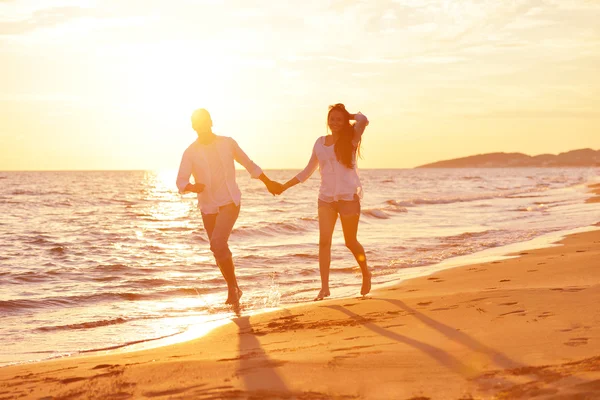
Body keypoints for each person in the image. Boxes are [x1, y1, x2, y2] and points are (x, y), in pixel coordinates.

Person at [176, 108, 282, 306]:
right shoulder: (190, 152)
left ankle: (233, 290)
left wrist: (267, 182)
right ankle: (234, 288)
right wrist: (192, 187)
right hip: (207, 206)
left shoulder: (227, 143)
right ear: (193, 126)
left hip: (230, 201)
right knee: (217, 249)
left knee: (217, 243)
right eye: (196, 122)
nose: (201, 125)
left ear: (211, 122)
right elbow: (181, 181)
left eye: (204, 121)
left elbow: (248, 164)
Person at [277, 103, 371, 301]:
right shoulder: (320, 143)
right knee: (324, 242)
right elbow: (308, 170)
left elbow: (363, 119)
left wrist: (348, 115)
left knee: (350, 241)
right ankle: (324, 288)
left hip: (348, 197)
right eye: (332, 119)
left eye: (339, 119)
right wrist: (285, 186)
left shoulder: (352, 138)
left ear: (345, 121)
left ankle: (365, 272)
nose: (334, 122)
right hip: (325, 198)